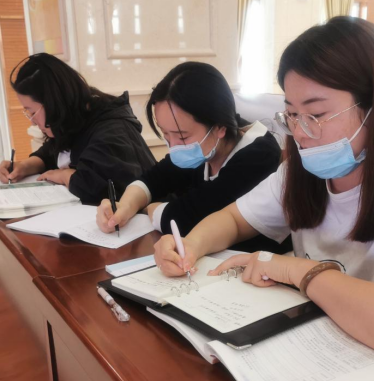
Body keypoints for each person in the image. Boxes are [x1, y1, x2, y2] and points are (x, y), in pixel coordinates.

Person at [154, 17, 374, 375]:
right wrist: (190, 245)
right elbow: (234, 219)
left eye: (316, 114)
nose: (299, 132)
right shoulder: (302, 171)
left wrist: (298, 270)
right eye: (292, 114)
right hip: (327, 353)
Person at [96, 61, 290, 254]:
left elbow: (188, 219)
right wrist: (125, 206)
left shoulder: (259, 156)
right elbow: (155, 178)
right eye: (165, 135)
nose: (173, 146)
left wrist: (150, 209)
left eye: (182, 137)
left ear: (219, 127)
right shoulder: (203, 149)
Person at [0, 53, 156, 204]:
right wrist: (25, 166)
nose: (33, 122)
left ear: (54, 103)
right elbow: (53, 152)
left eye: (32, 112)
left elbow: (101, 189)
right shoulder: (75, 120)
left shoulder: (110, 130)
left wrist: (65, 175)